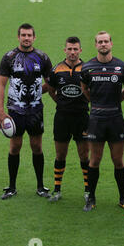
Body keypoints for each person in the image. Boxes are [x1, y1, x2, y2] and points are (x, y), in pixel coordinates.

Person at [0, 23, 53, 200]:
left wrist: (37, 92)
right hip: (15, 110)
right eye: (23, 35)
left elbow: (51, 82)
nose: (26, 38)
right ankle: (12, 186)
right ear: (18, 37)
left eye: (29, 35)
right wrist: (0, 111)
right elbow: (1, 84)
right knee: (15, 146)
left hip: (36, 110)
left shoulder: (42, 57)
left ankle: (40, 186)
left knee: (37, 146)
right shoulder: (9, 58)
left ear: (34, 37)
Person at [80, 31, 124, 211]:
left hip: (116, 119)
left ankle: (123, 198)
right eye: (100, 42)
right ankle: (91, 198)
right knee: (94, 160)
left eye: (106, 41)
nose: (103, 44)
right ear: (95, 45)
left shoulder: (122, 67)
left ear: (111, 43)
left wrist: (117, 102)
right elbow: (84, 89)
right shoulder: (87, 68)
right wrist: (95, 104)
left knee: (118, 160)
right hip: (96, 119)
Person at [46, 36, 90, 202]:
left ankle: (88, 191)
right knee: (60, 154)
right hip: (62, 118)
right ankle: (57, 190)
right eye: (69, 49)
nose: (72, 52)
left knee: (84, 155)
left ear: (80, 50)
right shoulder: (56, 69)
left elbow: (92, 91)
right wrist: (61, 103)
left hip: (82, 117)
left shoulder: (87, 69)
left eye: (75, 49)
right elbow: (51, 90)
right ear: (64, 50)